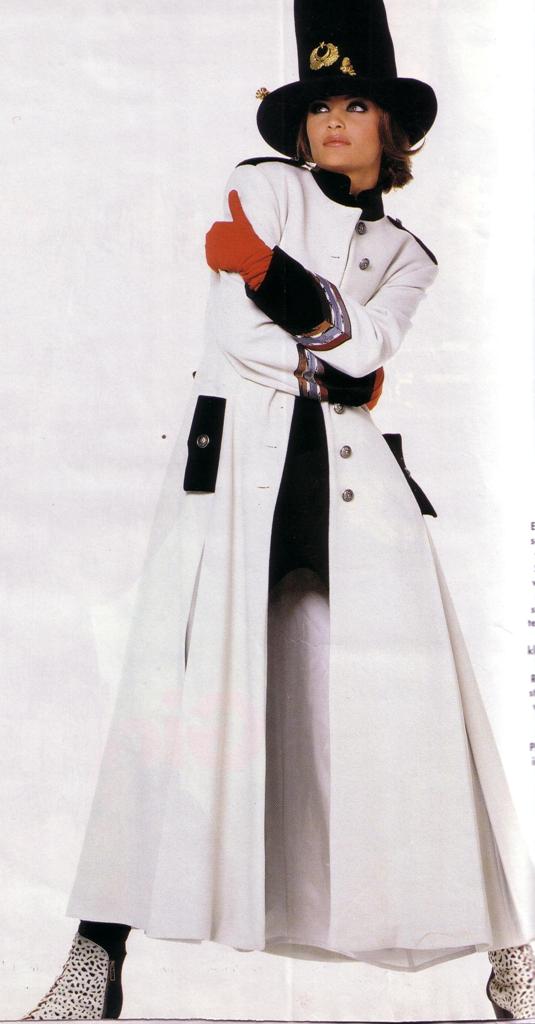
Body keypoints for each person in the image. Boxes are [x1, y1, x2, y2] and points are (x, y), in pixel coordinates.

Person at [24, 0, 535, 1019]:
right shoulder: (262, 185)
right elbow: (251, 342)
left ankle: (511, 952)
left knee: (417, 714)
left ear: (391, 128)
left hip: (353, 491)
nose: (334, 122)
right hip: (231, 480)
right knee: (170, 708)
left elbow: (365, 351)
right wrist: (333, 355)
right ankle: (94, 960)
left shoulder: (410, 254)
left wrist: (273, 281)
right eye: (319, 106)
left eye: (356, 105)